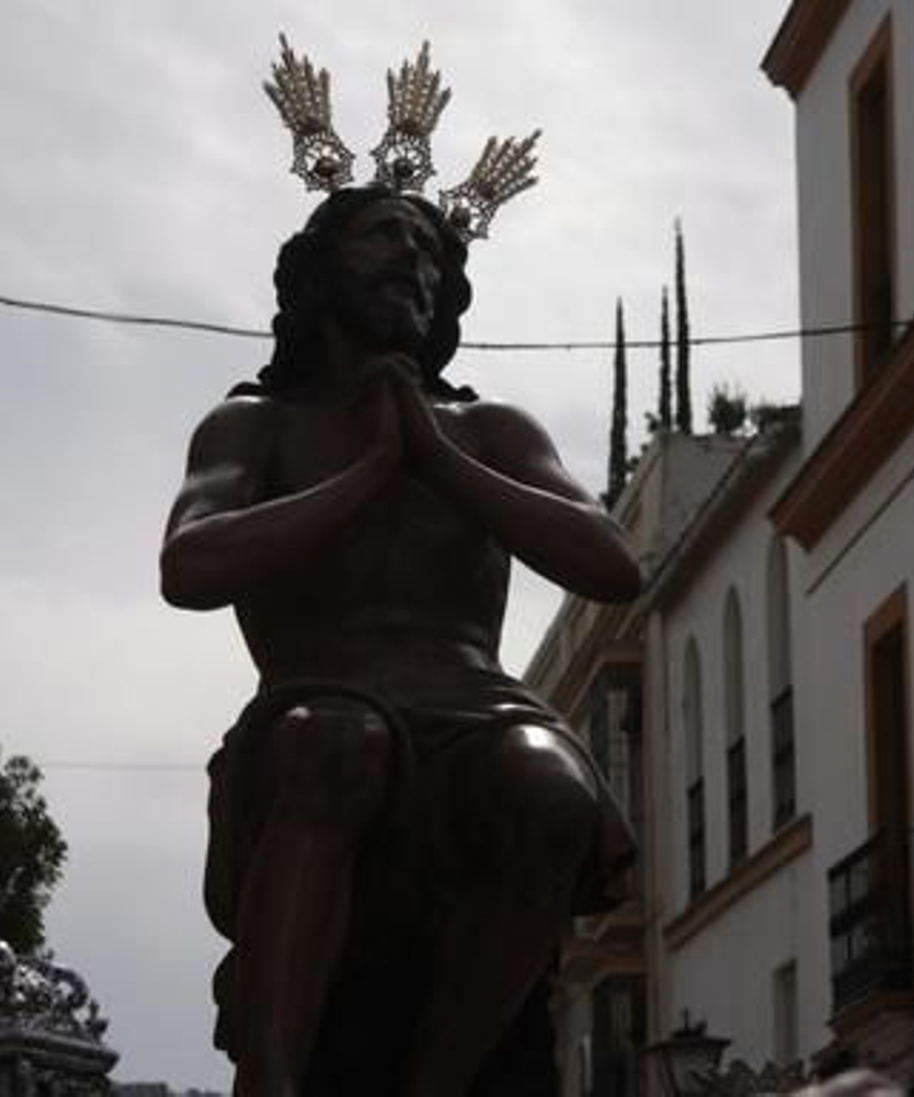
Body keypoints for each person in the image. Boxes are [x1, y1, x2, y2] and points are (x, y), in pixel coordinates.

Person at [160, 185, 640, 1096]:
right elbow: (190, 564)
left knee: (552, 787)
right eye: (384, 236)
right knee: (336, 743)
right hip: (318, 696)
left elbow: (614, 565)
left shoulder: (492, 431)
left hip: (478, 706)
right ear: (319, 271)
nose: (413, 261)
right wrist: (373, 470)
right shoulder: (256, 424)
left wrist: (437, 459)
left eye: (428, 251)